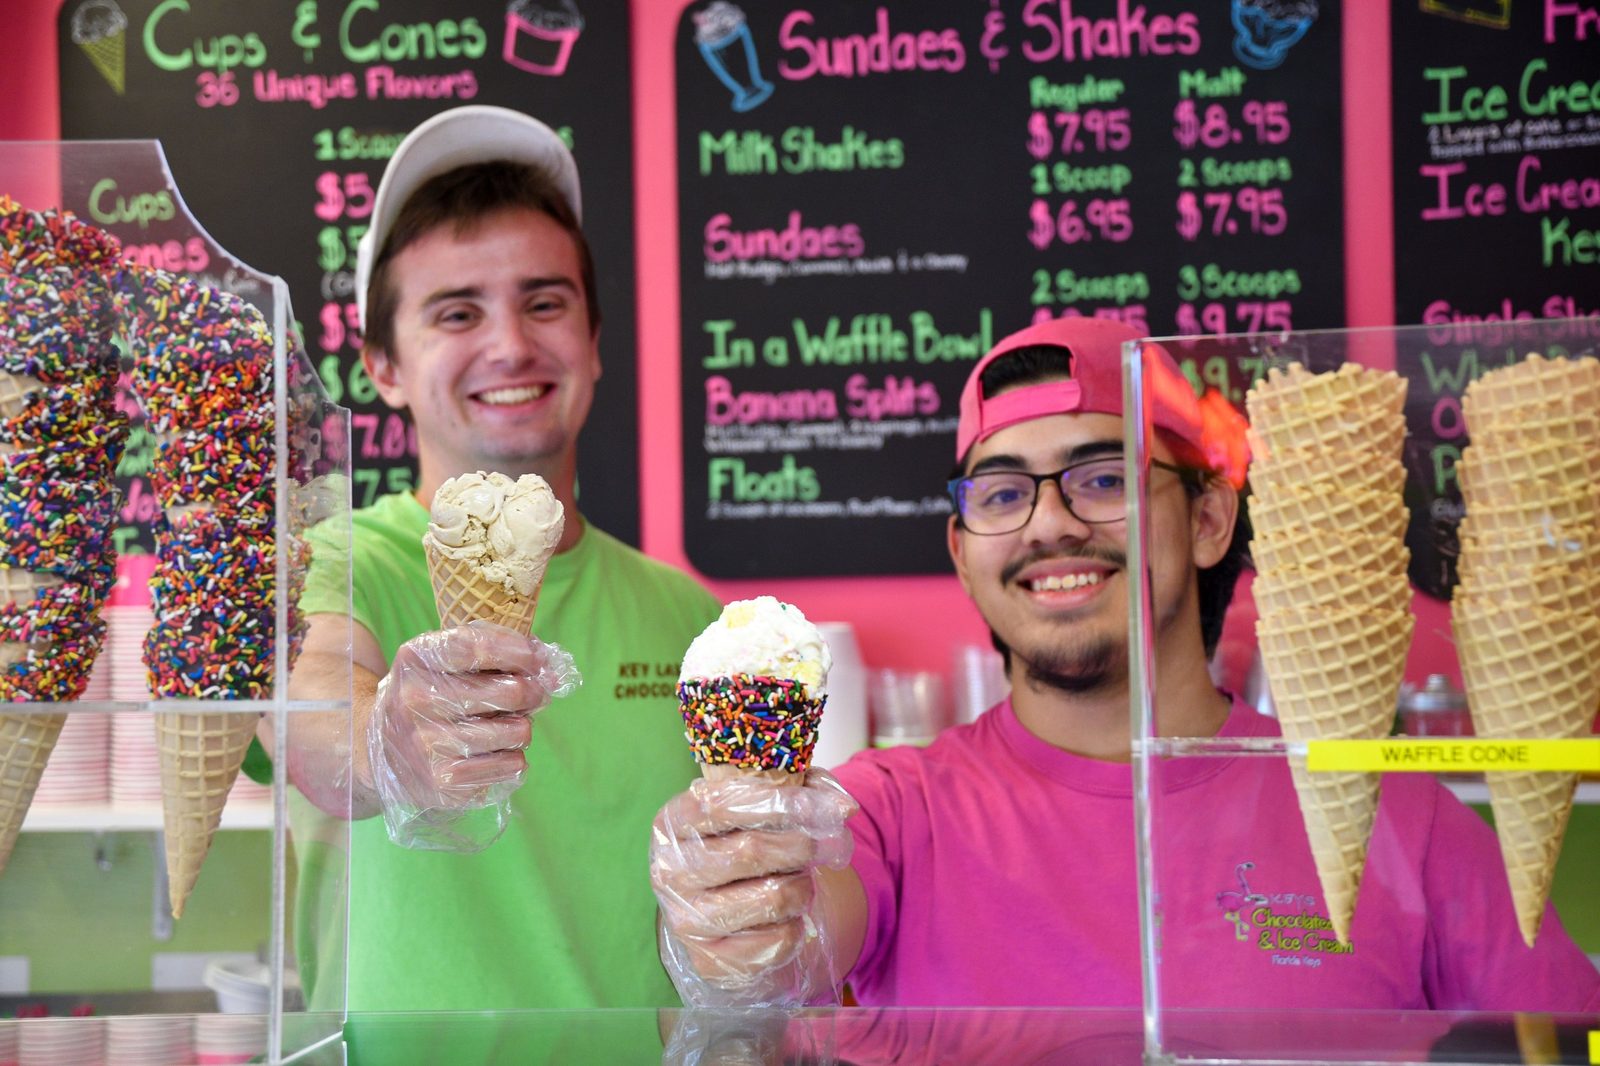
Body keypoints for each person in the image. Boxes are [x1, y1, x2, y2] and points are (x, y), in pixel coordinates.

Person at [649, 317, 1600, 1016]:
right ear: (963, 550)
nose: (1051, 523)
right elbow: (798, 936)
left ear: (1211, 520)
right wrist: (735, 913)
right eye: (1002, 491)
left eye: (1103, 478)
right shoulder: (895, 810)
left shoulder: (1403, 814)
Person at [279, 105, 722, 1015]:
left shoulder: (689, 616)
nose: (511, 345)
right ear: (384, 367)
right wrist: (387, 738)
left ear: (595, 344)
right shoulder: (331, 562)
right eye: (456, 312)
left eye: (545, 302)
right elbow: (312, 714)